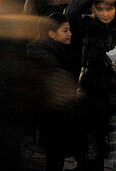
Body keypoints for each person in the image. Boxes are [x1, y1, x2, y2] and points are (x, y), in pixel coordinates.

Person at [76, 0, 116, 170]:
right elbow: (72, 11)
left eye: (108, 8)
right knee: (94, 144)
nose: (104, 13)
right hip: (92, 89)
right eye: (100, 9)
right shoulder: (87, 25)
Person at [27, 14, 82, 171]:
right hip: (52, 112)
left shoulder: (62, 50)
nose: (70, 34)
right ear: (52, 33)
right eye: (65, 30)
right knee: (55, 152)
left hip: (61, 111)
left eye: (70, 30)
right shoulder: (43, 52)